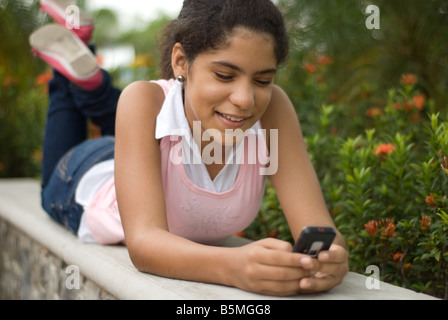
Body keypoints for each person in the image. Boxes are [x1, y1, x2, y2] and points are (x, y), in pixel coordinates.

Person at [31, 0, 348, 297]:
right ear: (181, 61)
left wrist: (330, 260)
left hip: (147, 153)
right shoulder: (142, 99)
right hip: (82, 178)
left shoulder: (273, 110)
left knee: (158, 119)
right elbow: (143, 244)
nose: (245, 98)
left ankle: (87, 72)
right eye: (224, 75)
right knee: (49, 189)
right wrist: (235, 267)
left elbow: (320, 230)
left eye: (263, 80)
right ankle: (67, 67)